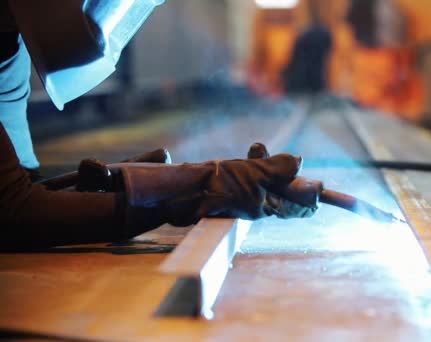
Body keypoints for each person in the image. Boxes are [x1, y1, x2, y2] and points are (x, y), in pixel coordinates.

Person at [0, 2, 315, 250]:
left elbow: (25, 183)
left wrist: (127, 184)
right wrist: (195, 191)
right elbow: (12, 213)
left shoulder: (8, 38)